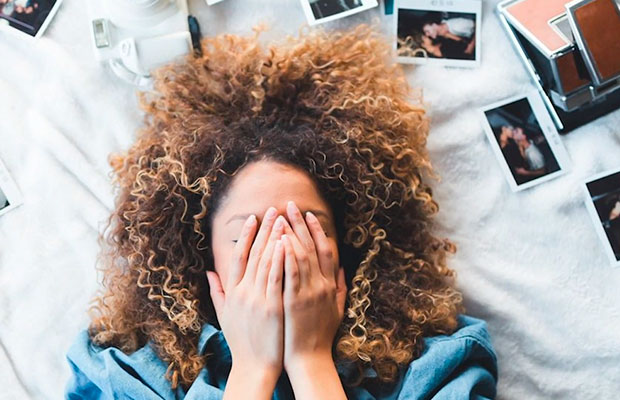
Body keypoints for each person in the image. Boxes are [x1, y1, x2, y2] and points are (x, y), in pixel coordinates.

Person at [65, 24, 497, 399]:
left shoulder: (440, 364)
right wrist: (252, 368)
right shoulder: (124, 370)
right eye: (247, 236)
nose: (280, 253)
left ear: (346, 247)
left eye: (304, 228)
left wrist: (311, 362)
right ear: (203, 254)